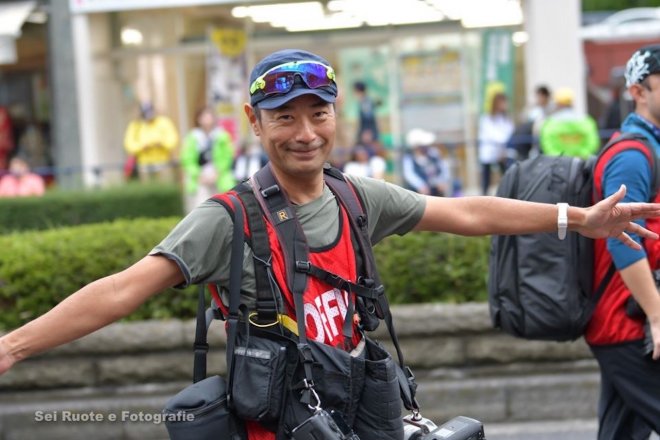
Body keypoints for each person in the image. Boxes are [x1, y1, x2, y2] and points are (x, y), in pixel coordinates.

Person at [1, 49, 660, 440]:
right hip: (278, 425)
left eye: (318, 113)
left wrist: (577, 219)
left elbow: (466, 212)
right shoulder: (227, 219)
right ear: (254, 125)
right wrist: (12, 347)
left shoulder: (356, 198)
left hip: (360, 413)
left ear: (336, 116)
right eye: (284, 117)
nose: (304, 131)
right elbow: (121, 290)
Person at [584, 44, 660, 440]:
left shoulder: (650, 147)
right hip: (627, 323)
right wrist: (657, 315)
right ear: (638, 91)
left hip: (622, 325)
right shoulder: (632, 154)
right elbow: (619, 238)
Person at [180, 106, 236, 211]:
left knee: (223, 208)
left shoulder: (222, 136)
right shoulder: (192, 137)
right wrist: (198, 175)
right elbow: (187, 160)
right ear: (198, 119)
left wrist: (218, 172)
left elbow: (228, 156)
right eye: (203, 116)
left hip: (219, 177)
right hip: (199, 179)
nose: (207, 119)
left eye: (209, 115)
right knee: (200, 208)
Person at [123, 101, 179, 182]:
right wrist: (142, 146)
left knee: (165, 186)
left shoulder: (164, 122)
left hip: (163, 162)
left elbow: (173, 140)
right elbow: (129, 144)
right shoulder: (135, 125)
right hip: (144, 164)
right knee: (147, 188)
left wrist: (162, 143)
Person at [539, 87, 601, 158]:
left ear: (557, 103)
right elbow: (593, 143)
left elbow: (547, 145)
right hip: (582, 163)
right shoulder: (586, 121)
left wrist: (559, 157)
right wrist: (582, 155)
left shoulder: (550, 123)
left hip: (558, 164)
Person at [478, 92, 514, 195]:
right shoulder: (487, 118)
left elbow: (510, 132)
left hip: (502, 153)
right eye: (502, 102)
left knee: (507, 176)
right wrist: (504, 141)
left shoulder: (506, 119)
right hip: (489, 152)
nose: (505, 105)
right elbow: (495, 136)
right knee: (486, 181)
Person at [402, 128, 450, 196]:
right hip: (419, 193)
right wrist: (420, 185)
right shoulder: (409, 158)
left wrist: (441, 181)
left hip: (436, 190)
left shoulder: (434, 154)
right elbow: (409, 174)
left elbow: (443, 168)